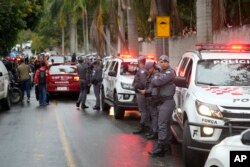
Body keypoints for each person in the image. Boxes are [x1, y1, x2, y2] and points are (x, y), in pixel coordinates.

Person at [142, 55, 176, 157]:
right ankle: (166, 146)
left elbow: (157, 81)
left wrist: (156, 78)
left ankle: (161, 147)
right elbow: (154, 81)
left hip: (167, 101)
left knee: (162, 125)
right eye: (161, 61)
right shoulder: (159, 73)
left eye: (165, 61)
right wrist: (157, 77)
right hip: (160, 102)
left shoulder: (171, 72)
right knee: (165, 125)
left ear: (168, 62)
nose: (163, 63)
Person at [138, 61, 159, 140]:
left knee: (154, 116)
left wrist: (145, 91)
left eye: (148, 69)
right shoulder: (151, 75)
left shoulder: (155, 75)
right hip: (149, 97)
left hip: (152, 97)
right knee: (152, 116)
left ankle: (155, 132)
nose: (147, 71)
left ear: (152, 68)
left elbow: (153, 88)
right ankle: (153, 130)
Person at [132, 55, 150, 134]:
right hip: (141, 92)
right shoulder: (143, 69)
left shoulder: (142, 70)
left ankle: (143, 126)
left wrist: (143, 90)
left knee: (143, 110)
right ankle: (145, 125)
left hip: (141, 92)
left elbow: (143, 82)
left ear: (140, 61)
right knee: (144, 110)